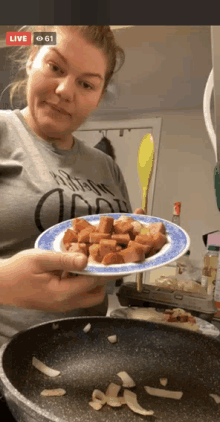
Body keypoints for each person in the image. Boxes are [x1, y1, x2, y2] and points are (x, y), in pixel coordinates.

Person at [0, 25, 144, 346]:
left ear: (99, 96)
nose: (66, 90)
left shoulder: (107, 167)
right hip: (7, 364)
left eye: (86, 84)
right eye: (55, 67)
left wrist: (138, 242)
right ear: (32, 58)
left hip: (91, 356)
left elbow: (113, 265)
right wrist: (4, 282)